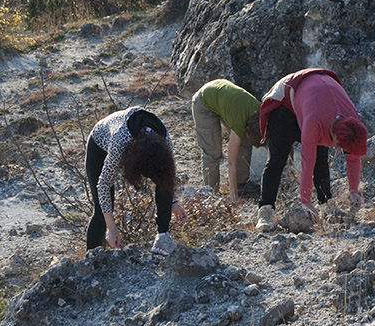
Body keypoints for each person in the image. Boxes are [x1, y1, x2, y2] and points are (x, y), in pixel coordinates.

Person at [255, 68, 368, 231]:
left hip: (314, 100)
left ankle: (326, 206)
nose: (339, 149)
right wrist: (305, 201)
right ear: (335, 138)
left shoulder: (353, 121)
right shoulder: (315, 121)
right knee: (277, 160)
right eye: (339, 146)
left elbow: (353, 156)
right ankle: (265, 212)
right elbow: (307, 163)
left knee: (322, 159)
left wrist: (353, 190)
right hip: (285, 104)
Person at [86, 106, 187, 254]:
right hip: (99, 145)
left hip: (137, 144)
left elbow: (167, 176)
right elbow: (103, 184)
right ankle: (91, 257)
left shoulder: (165, 141)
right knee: (102, 212)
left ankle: (162, 238)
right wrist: (111, 227)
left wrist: (172, 201)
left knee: (163, 181)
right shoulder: (119, 144)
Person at [191, 79, 263, 203]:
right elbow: (231, 162)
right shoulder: (239, 124)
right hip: (203, 103)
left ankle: (242, 185)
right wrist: (233, 196)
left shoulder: (259, 111)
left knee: (245, 142)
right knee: (213, 153)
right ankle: (211, 194)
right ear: (246, 128)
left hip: (223, 98)